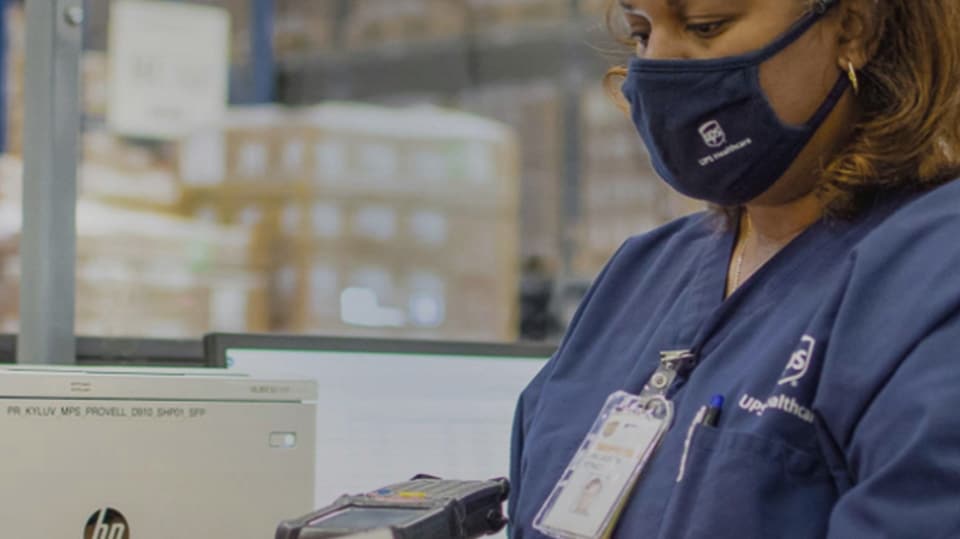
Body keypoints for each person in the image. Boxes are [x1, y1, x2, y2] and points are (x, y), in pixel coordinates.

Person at [509, 0, 960, 537]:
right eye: (641, 33)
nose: (660, 64)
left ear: (853, 30)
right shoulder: (641, 274)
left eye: (705, 27)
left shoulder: (931, 274)